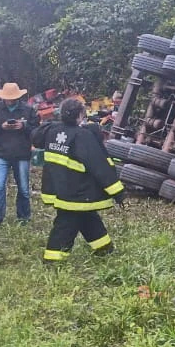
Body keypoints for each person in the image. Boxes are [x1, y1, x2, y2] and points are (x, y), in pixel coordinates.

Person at [31, 98, 125, 262]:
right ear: (81, 115)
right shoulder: (82, 136)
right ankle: (53, 260)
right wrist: (117, 191)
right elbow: (99, 166)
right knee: (66, 224)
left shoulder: (52, 130)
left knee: (87, 217)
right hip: (77, 191)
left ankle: (104, 248)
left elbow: (36, 137)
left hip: (58, 187)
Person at [0, 82, 40, 226]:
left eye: (12, 98)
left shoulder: (28, 110)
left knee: (24, 189)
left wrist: (24, 126)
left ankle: (24, 219)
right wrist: (1, 127)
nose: (9, 101)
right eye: (7, 98)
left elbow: (37, 131)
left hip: (22, 154)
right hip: (0, 154)